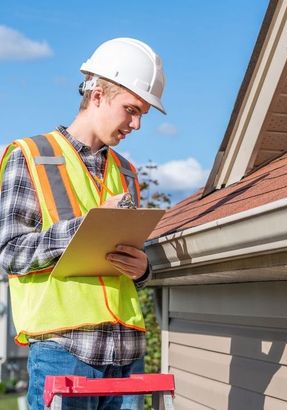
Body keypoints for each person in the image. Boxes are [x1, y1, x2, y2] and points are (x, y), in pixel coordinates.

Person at [0, 37, 166, 410]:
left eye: (142, 114)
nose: (136, 124)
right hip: (65, 352)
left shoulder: (126, 172)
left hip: (127, 353)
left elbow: (124, 258)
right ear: (97, 95)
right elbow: (9, 252)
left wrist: (142, 270)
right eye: (130, 109)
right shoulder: (30, 156)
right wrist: (83, 227)